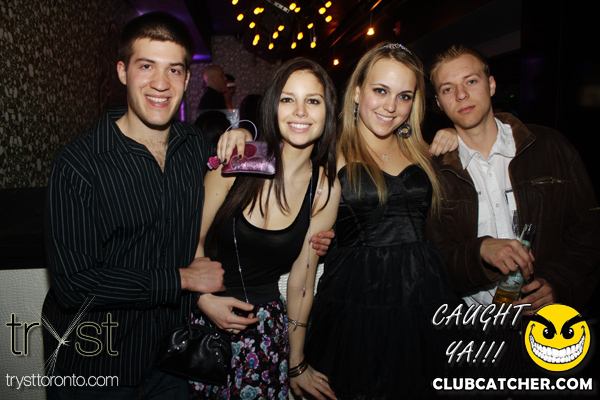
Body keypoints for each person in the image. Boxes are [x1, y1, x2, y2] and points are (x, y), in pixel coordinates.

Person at [42, 12, 230, 399]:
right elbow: (73, 285)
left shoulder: (194, 146)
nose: (161, 83)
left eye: (174, 70)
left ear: (187, 79)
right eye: (146, 66)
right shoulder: (79, 164)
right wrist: (183, 279)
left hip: (170, 361)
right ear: (122, 72)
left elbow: (239, 192)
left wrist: (243, 135)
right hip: (95, 368)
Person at [301, 42, 462, 399]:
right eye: (380, 91)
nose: (391, 107)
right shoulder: (329, 149)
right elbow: (278, 156)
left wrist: (457, 133)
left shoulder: (421, 149)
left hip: (426, 293)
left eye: (404, 96)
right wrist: (242, 134)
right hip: (358, 299)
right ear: (358, 91)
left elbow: (487, 127)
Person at [189, 57, 340, 399]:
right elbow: (191, 238)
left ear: (328, 112)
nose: (300, 111)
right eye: (288, 99)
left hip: (266, 334)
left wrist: (297, 361)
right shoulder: (239, 159)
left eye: (313, 101)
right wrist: (203, 299)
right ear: (273, 106)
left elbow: (302, 281)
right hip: (208, 328)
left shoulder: (324, 187)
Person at [426, 44, 600, 315]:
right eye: (448, 89)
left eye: (471, 81)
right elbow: (433, 258)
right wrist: (479, 251)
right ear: (438, 103)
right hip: (476, 323)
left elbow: (588, 233)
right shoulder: (434, 172)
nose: (461, 95)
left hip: (549, 320)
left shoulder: (550, 147)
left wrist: (559, 283)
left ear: (491, 85)